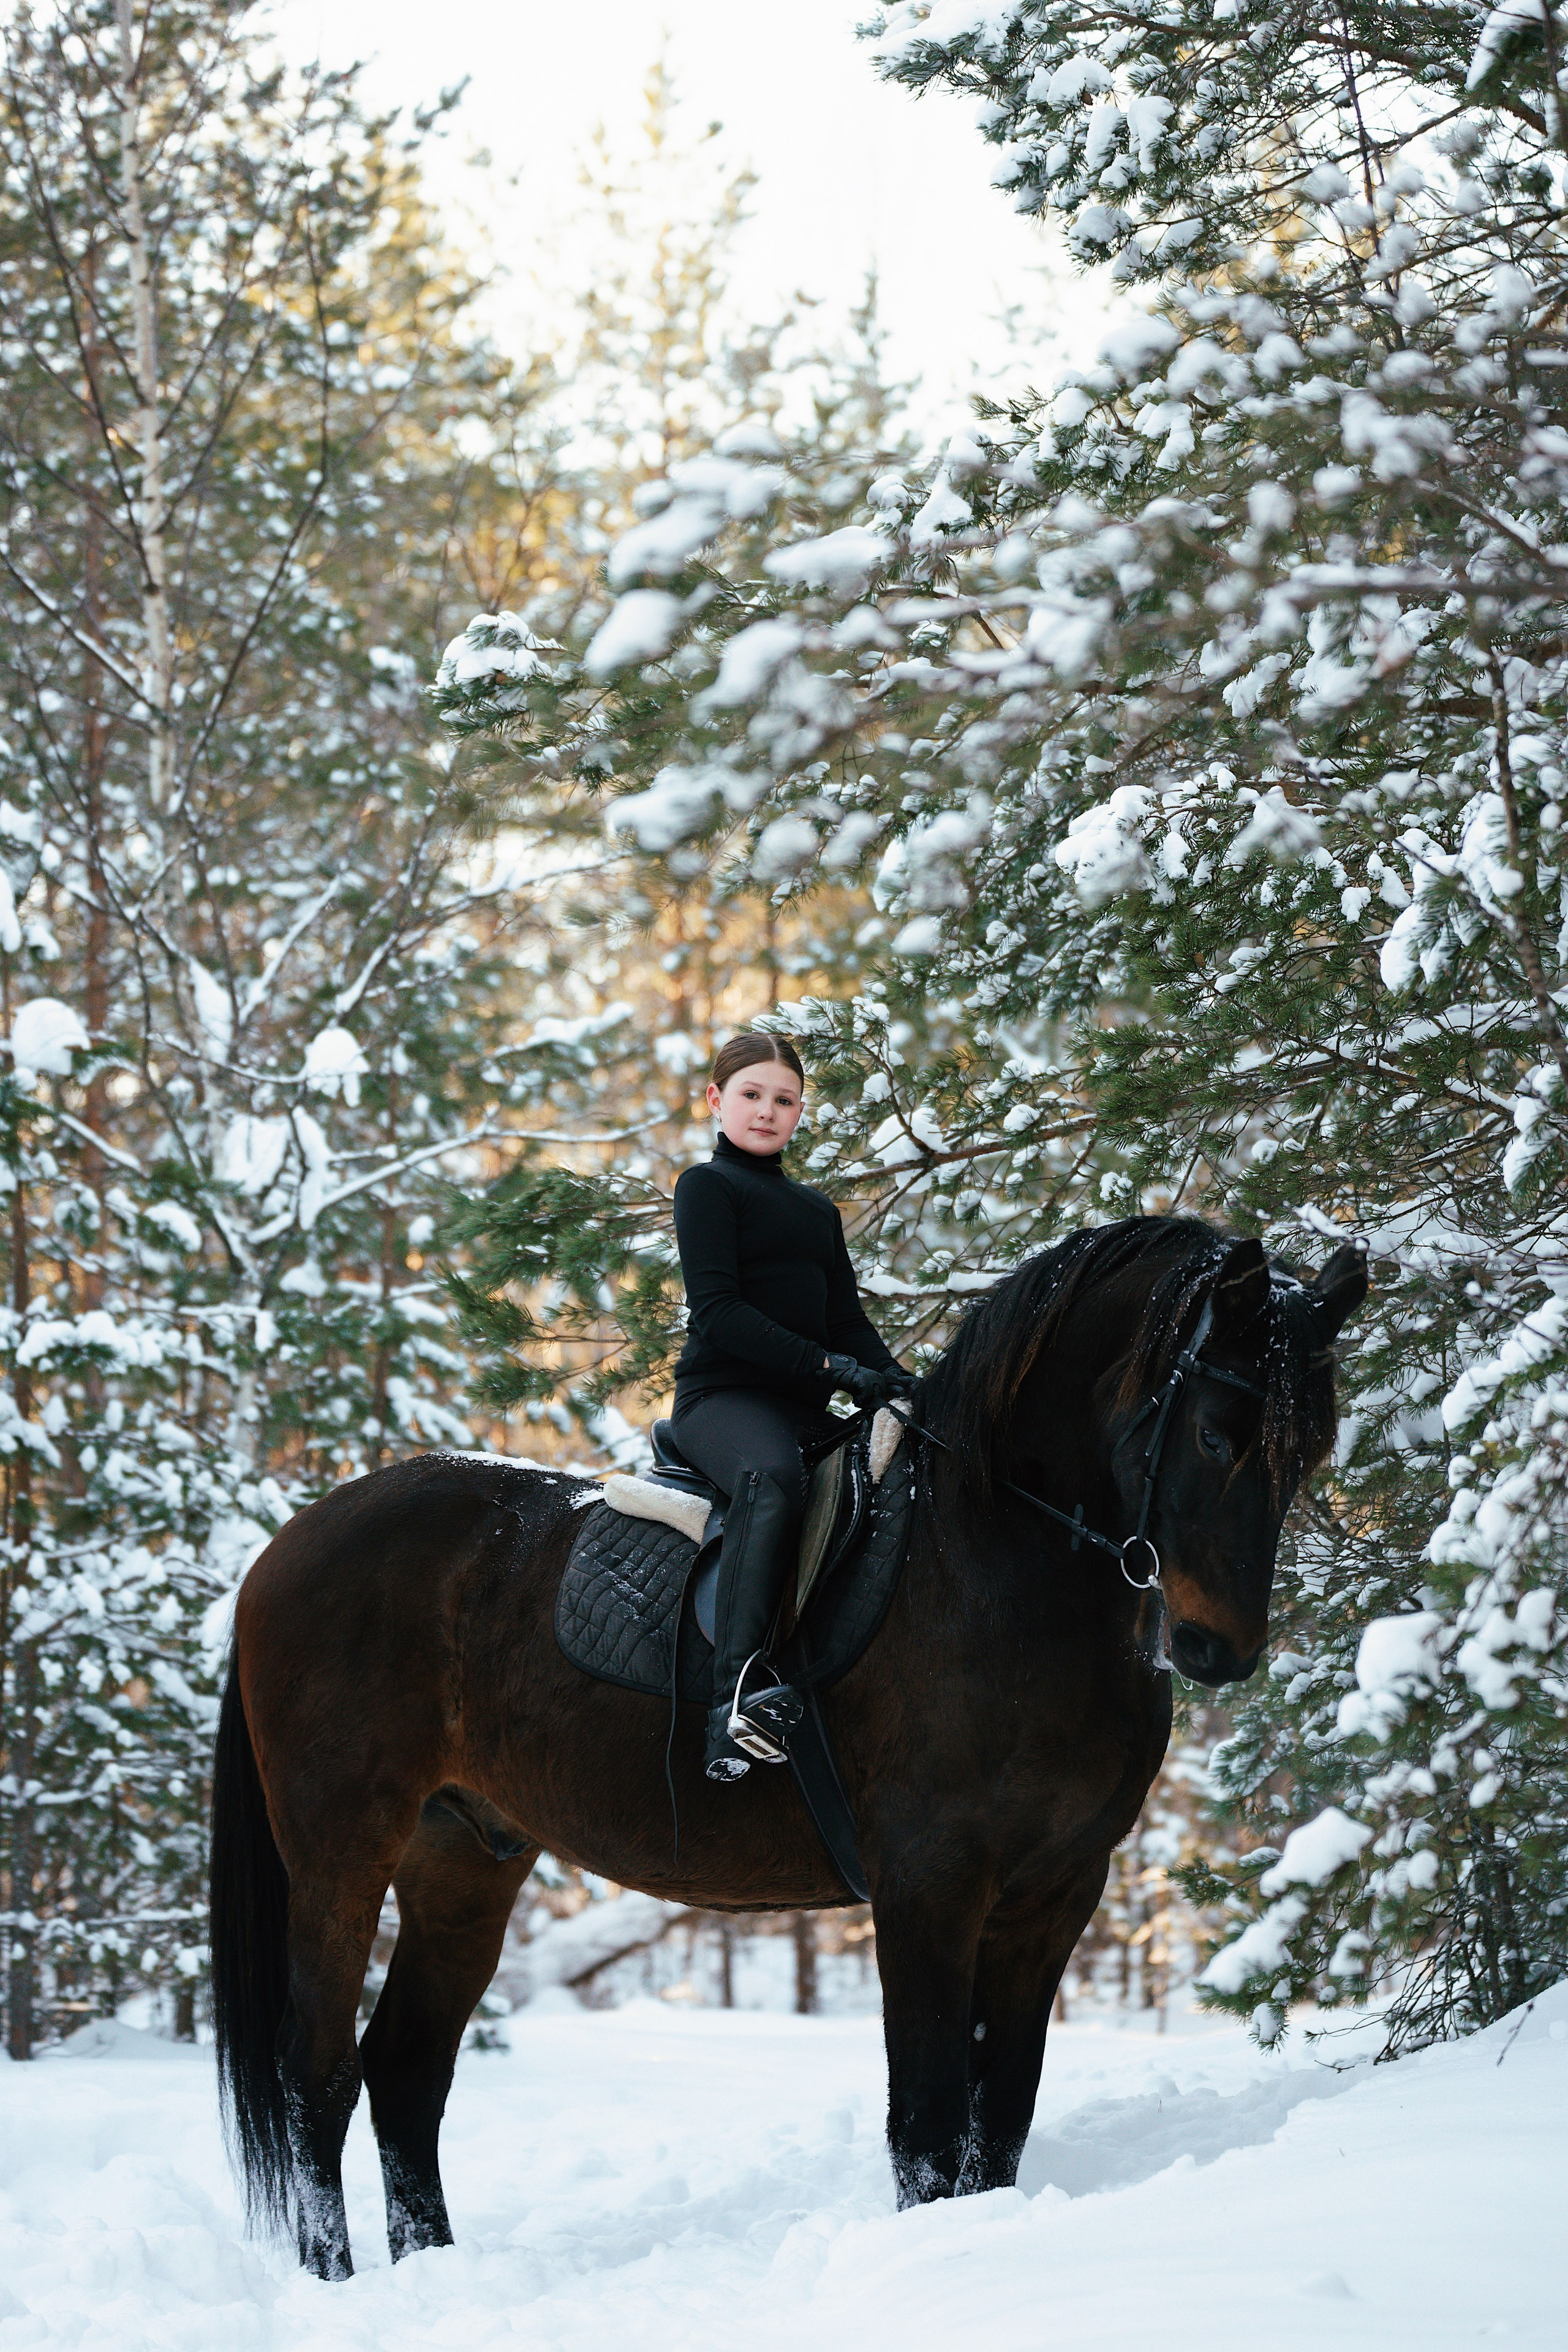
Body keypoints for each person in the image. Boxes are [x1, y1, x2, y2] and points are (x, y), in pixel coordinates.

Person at [671, 1032, 915, 1783]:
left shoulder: (815, 1211)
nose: (766, 1111)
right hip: (725, 1401)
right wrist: (825, 1365)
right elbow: (719, 1312)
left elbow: (845, 1320)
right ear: (716, 1101)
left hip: (807, 1408)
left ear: (800, 1112)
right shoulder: (707, 1188)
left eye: (783, 1100)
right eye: (751, 1095)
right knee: (773, 1478)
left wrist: (900, 1381)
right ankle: (733, 1697)